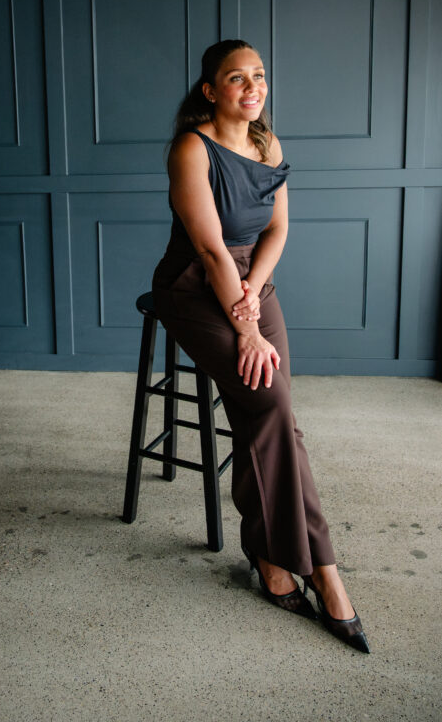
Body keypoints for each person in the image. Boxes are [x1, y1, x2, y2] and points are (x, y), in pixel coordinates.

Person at [151, 39, 370, 653]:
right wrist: (244, 323)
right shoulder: (191, 149)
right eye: (237, 78)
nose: (254, 87)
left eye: (260, 76)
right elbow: (210, 248)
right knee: (271, 405)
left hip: (250, 279)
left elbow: (277, 228)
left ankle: (273, 561)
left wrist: (253, 290)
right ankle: (325, 571)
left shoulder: (267, 142)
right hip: (195, 285)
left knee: (267, 409)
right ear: (210, 90)